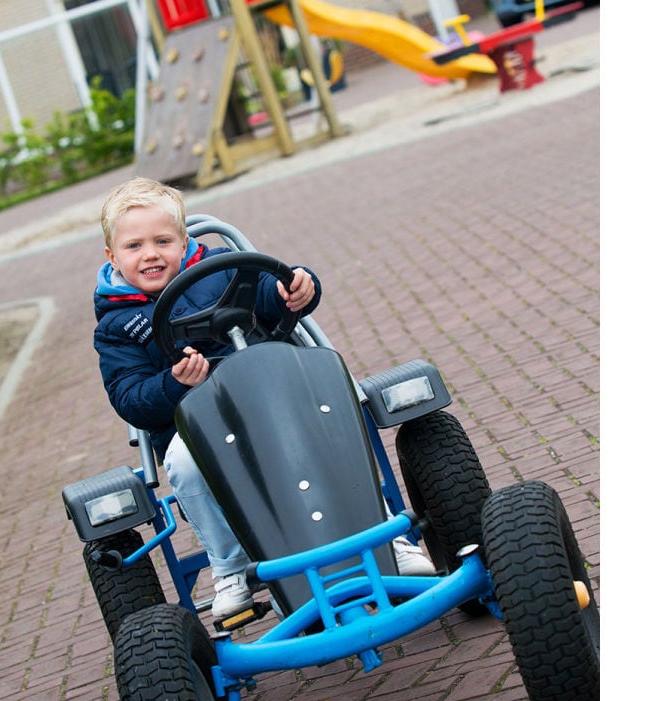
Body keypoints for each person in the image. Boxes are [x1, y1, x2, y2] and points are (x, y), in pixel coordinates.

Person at [92, 177, 433, 621]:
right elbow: (129, 398)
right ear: (112, 256)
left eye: (162, 240)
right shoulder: (116, 325)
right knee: (185, 465)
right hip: (194, 427)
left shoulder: (225, 270)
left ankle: (386, 538)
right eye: (135, 246)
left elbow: (273, 301)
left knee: (332, 429)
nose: (151, 253)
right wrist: (175, 384)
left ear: (184, 241)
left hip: (274, 396)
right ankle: (231, 568)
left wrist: (296, 291)